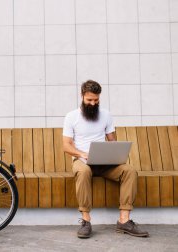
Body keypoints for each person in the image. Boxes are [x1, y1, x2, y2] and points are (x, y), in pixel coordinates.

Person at [62, 80, 149, 238]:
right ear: (82, 96)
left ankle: (124, 220)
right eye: (89, 100)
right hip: (81, 161)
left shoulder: (106, 115)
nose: (93, 104)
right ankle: (86, 221)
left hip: (103, 162)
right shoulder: (71, 117)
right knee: (83, 172)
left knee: (129, 171)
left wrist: (115, 154)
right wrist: (82, 154)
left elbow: (112, 141)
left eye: (96, 100)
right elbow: (66, 146)